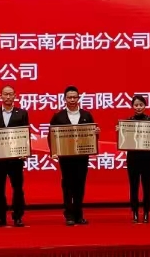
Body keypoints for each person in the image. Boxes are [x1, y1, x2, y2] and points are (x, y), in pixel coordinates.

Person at [49, 85, 100, 226]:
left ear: (78, 98)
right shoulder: (58, 116)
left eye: (74, 97)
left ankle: (79, 214)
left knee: (80, 185)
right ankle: (69, 215)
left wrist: (96, 133)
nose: (72, 100)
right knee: (67, 185)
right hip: (65, 157)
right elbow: (51, 134)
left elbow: (92, 135)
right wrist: (53, 151)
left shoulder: (86, 115)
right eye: (69, 97)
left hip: (82, 157)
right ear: (64, 99)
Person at [0, 85, 29, 227]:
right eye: (5, 94)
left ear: (15, 96)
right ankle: (0, 218)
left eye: (10, 94)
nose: (8, 97)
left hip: (16, 159)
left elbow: (25, 134)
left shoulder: (22, 113)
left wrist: (25, 151)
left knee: (18, 188)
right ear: (0, 96)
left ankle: (18, 217)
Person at [117, 95, 150, 223]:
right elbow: (124, 141)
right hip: (133, 158)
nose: (138, 107)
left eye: (141, 105)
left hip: (147, 158)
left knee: (147, 186)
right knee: (133, 186)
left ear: (145, 106)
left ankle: (146, 212)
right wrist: (120, 132)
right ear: (132, 106)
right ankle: (134, 212)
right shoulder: (128, 122)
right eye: (136, 105)